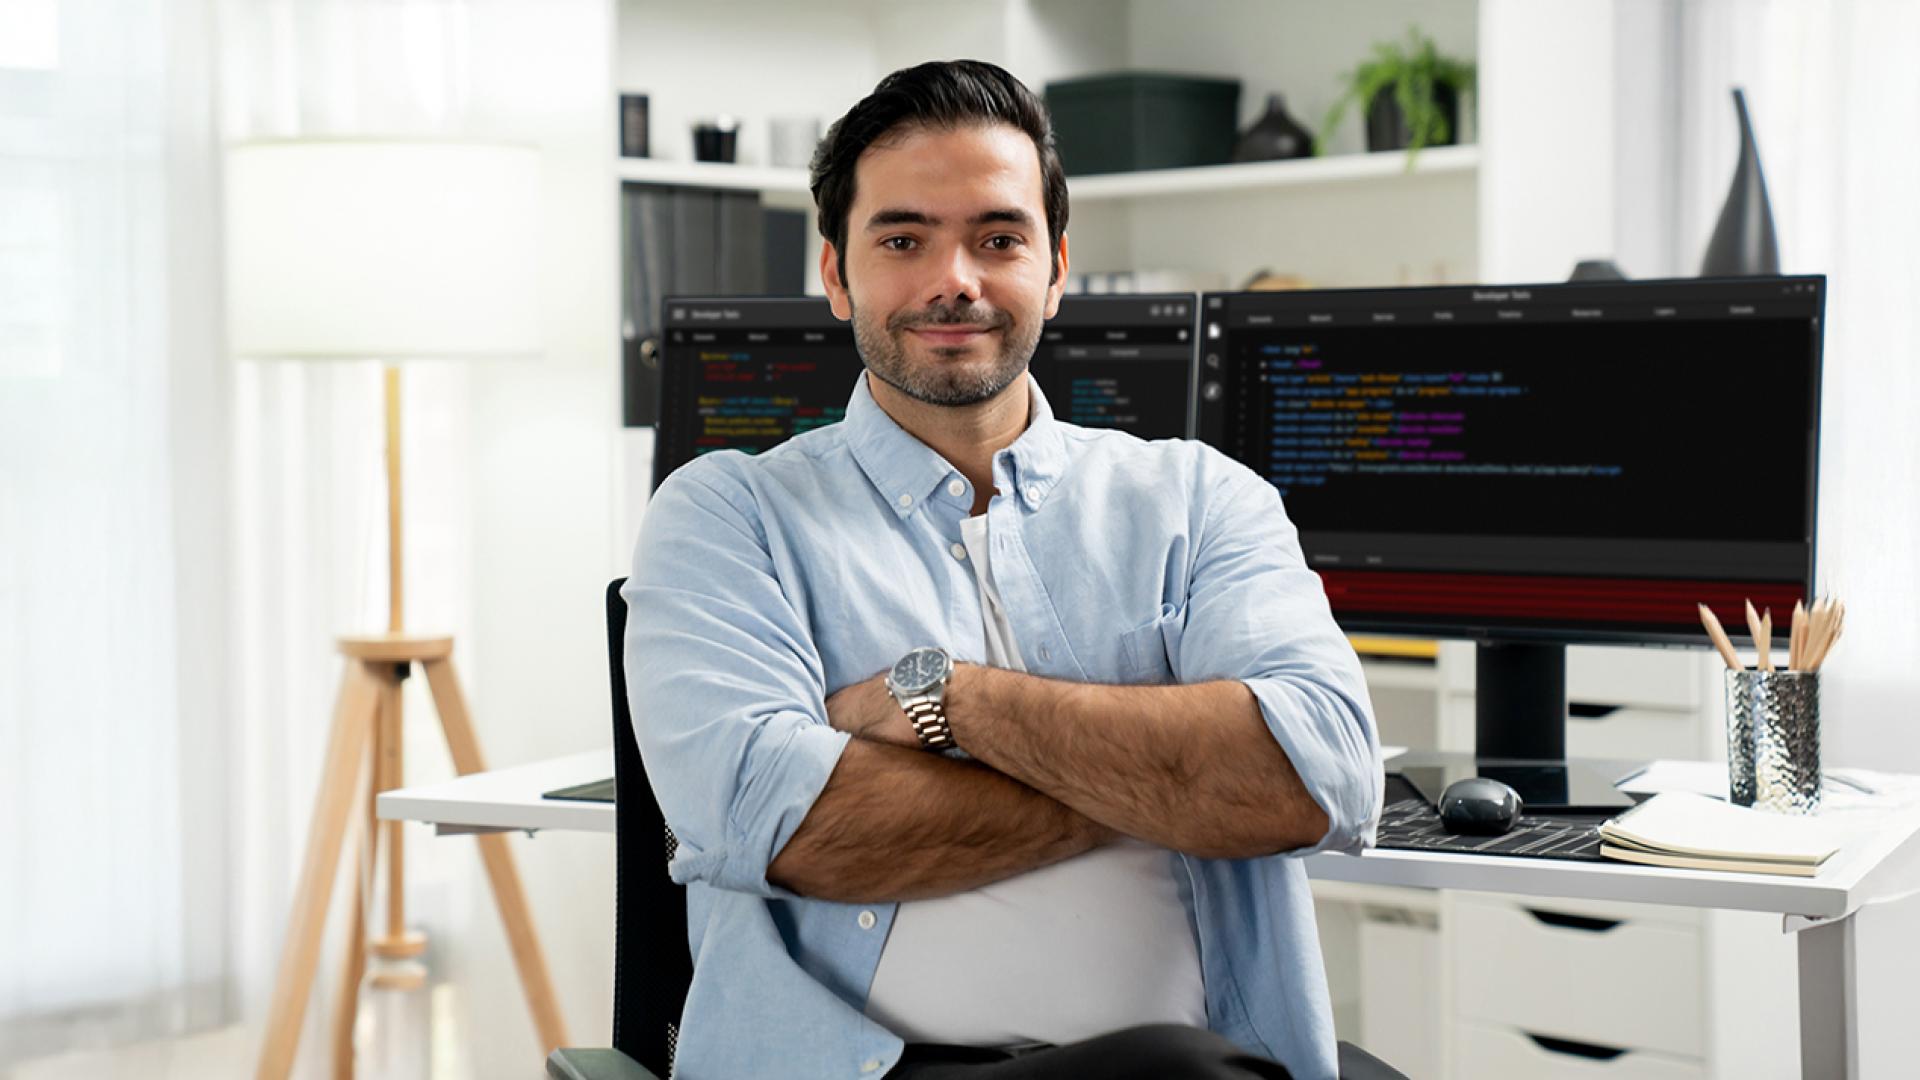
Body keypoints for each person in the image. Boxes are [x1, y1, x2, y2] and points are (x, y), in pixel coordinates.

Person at [623, 59, 1382, 1080]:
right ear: (837, 274)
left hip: (1216, 1055)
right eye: (903, 240)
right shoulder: (729, 514)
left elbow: (1314, 777)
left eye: (998, 238)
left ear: (1057, 266)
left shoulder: (1202, 499)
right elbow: (796, 829)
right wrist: (1170, 784)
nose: (956, 281)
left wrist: (942, 701)